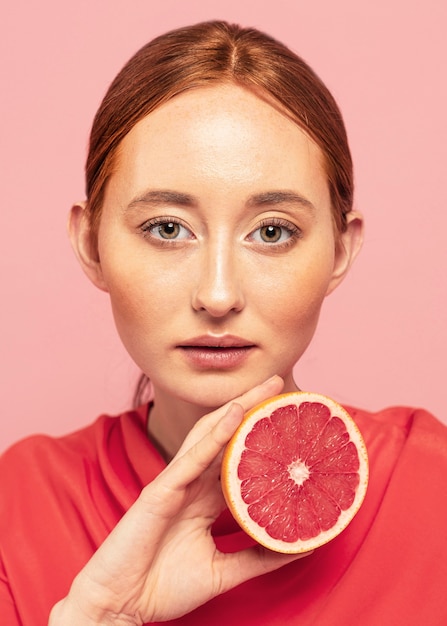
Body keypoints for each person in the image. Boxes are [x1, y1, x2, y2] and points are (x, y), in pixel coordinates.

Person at [1, 20, 446, 626]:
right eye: (166, 228)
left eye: (271, 232)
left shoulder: (431, 486)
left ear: (341, 251)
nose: (217, 294)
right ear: (90, 243)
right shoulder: (16, 510)